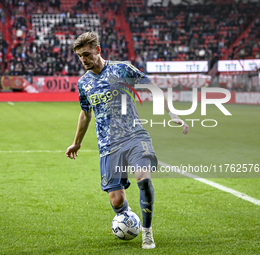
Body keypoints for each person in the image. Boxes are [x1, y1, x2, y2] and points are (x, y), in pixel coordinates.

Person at [65, 31, 189, 249]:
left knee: (143, 178)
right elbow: (85, 113)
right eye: (79, 56)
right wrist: (77, 142)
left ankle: (147, 232)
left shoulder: (121, 68)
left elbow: (152, 87)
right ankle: (127, 217)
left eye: (86, 54)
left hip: (134, 136)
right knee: (117, 200)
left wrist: (172, 113)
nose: (83, 59)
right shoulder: (83, 83)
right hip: (108, 146)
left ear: (98, 50)